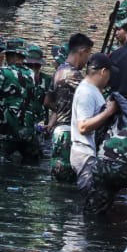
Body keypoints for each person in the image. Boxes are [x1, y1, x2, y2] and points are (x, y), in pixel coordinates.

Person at [0, 40, 44, 161]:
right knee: (30, 168)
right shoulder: (32, 75)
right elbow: (24, 103)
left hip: (6, 133)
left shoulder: (2, 72)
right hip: (27, 132)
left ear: (10, 55)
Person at [48, 33, 95, 181]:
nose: (88, 59)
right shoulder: (73, 75)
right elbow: (92, 94)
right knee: (67, 181)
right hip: (69, 135)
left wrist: (61, 109)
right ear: (82, 51)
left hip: (59, 131)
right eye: (88, 54)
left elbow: (47, 101)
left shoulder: (59, 71)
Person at [71, 52, 120, 186]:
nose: (109, 78)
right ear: (103, 71)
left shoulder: (93, 90)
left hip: (89, 153)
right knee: (89, 199)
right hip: (84, 155)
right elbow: (82, 127)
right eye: (109, 74)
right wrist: (108, 112)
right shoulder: (86, 92)